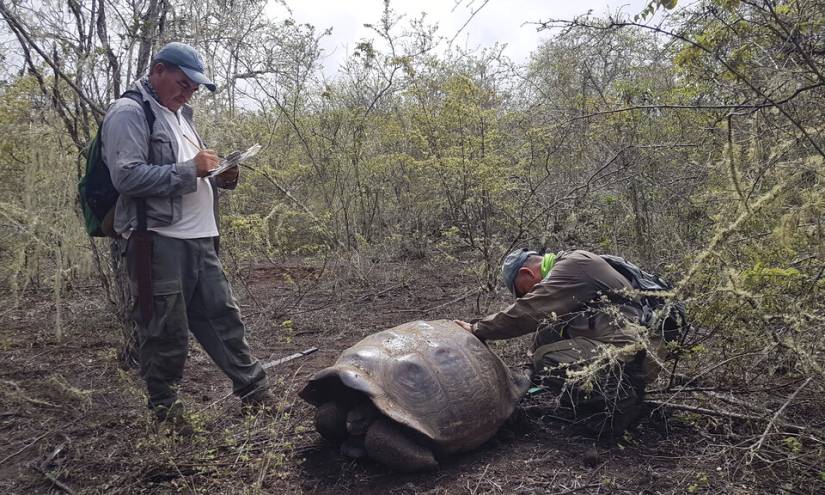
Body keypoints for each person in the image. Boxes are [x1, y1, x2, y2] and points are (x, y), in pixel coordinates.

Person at [102, 42, 271, 429]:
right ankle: (167, 414)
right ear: (158, 71)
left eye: (194, 87)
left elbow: (190, 172)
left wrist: (221, 176)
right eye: (183, 83)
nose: (188, 92)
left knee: (223, 318)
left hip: (200, 238)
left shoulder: (182, 115)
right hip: (157, 241)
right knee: (165, 329)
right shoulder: (129, 112)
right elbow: (126, 176)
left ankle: (255, 394)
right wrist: (190, 169)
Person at [455, 248, 664, 436]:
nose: (526, 296)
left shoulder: (573, 266)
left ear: (527, 274)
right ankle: (597, 395)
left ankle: (622, 404)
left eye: (522, 292)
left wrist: (478, 328)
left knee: (546, 359)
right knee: (548, 331)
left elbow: (531, 310)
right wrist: (529, 377)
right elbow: (546, 325)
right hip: (629, 342)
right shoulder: (573, 265)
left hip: (636, 355)